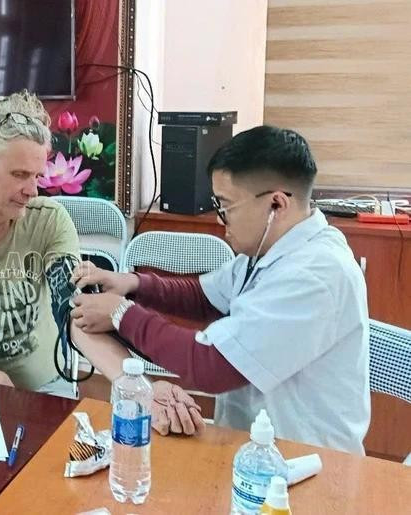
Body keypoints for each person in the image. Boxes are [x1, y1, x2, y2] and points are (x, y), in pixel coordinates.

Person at [0, 91, 204, 435]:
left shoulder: (49, 221)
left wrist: (139, 388)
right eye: (19, 174)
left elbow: (77, 316)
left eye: (36, 175)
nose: (33, 190)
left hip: (44, 391)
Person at [70, 125, 370, 454]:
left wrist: (121, 313)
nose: (219, 219)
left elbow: (211, 365)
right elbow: (204, 295)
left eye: (225, 206)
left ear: (277, 205)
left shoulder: (315, 275)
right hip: (251, 446)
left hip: (306, 460)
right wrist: (135, 284)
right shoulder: (270, 251)